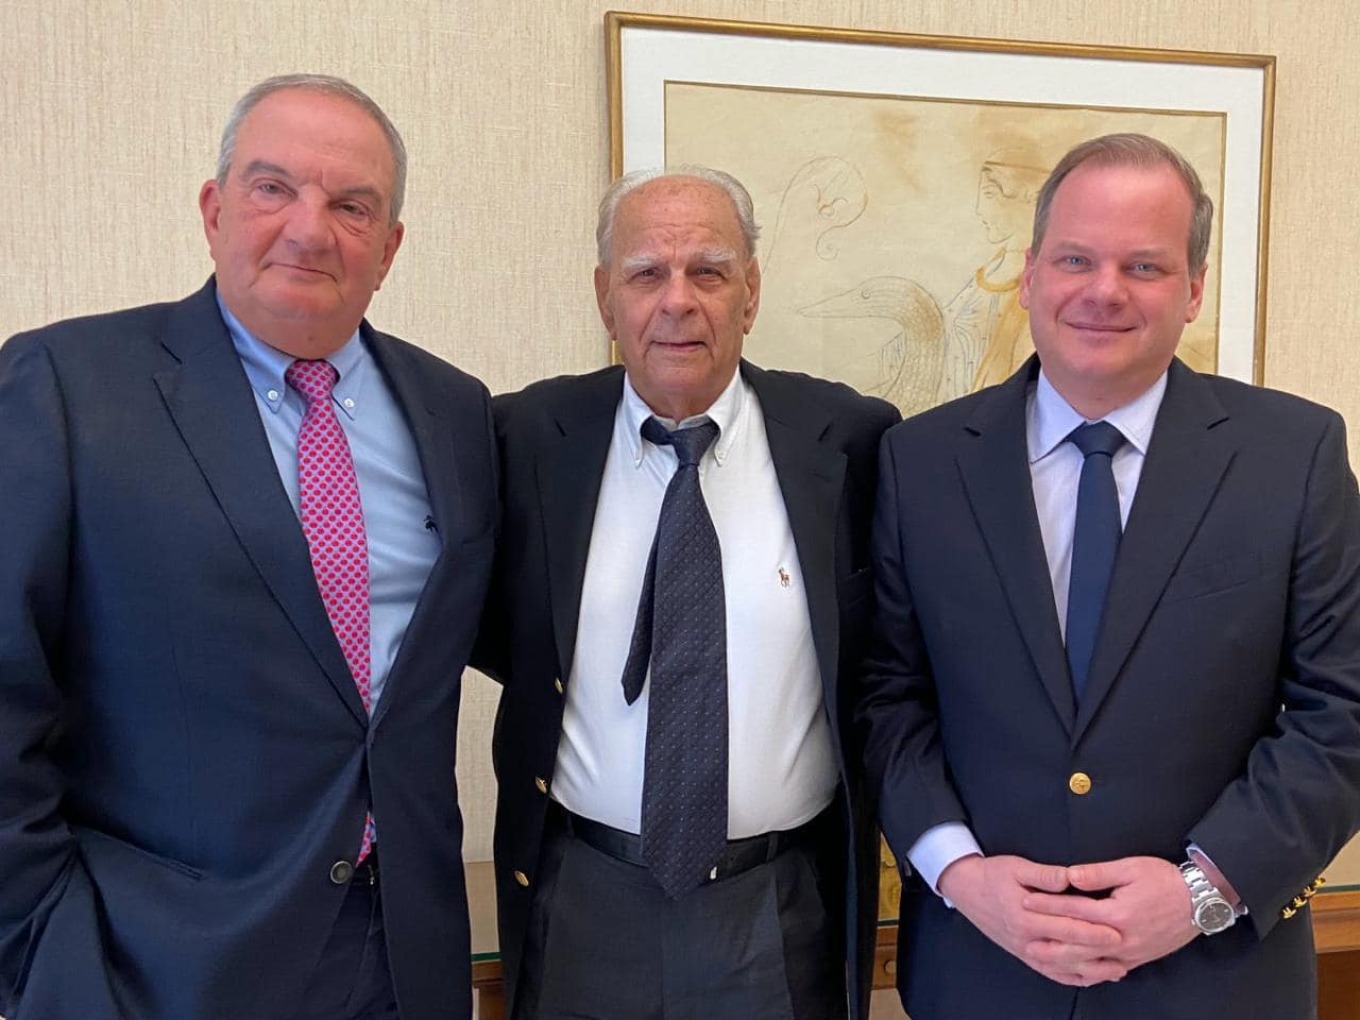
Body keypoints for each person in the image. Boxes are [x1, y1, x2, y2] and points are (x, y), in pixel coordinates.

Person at [0, 74, 497, 1020]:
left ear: (389, 249)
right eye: (274, 188)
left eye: (352, 205)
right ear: (214, 209)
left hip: (406, 959)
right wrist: (41, 946)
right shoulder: (67, 386)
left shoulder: (457, 412)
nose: (311, 229)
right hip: (155, 969)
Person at [860, 132, 1360, 1019]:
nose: (1104, 290)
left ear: (1194, 288)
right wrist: (959, 872)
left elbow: (1344, 711)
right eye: (1076, 259)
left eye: (1144, 266)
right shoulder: (920, 461)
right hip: (982, 976)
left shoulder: (1295, 455)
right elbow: (886, 696)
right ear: (1029, 274)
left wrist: (1204, 890)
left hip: (1217, 983)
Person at [477, 166, 899, 1020]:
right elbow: (494, 635)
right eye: (646, 274)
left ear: (751, 293)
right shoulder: (525, 440)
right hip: (585, 897)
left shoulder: (851, 442)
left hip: (777, 906)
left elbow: (884, 658)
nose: (678, 301)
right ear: (606, 298)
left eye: (708, 271)